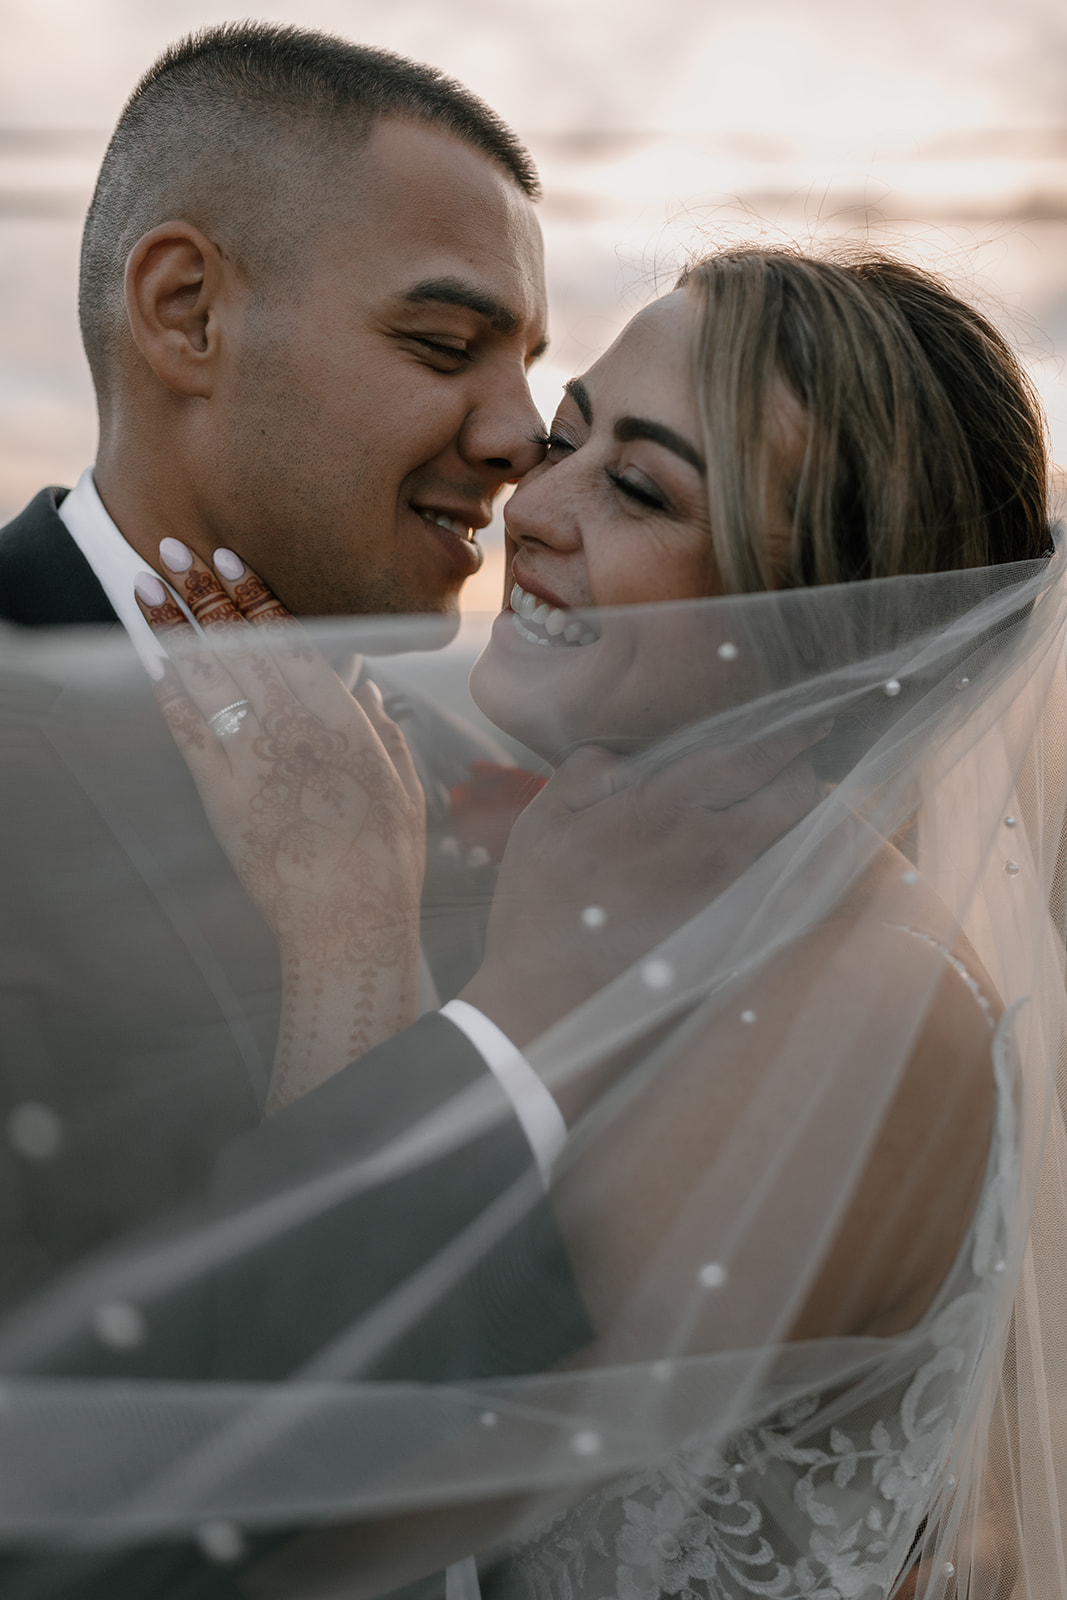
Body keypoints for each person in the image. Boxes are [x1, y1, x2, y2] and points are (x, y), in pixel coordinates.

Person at [10, 245, 1059, 1598]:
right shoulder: (606, 879)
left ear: (842, 622)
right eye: (566, 440)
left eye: (636, 487)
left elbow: (283, 1534)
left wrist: (355, 939)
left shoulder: (854, 1010)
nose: (533, 506)